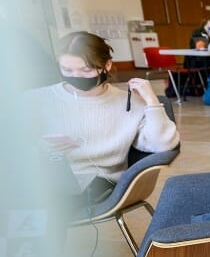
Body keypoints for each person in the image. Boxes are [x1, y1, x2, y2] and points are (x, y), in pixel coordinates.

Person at [33, 31, 180, 205]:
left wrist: (151, 101)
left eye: (86, 70)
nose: (76, 76)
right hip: (41, 178)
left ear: (107, 65)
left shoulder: (130, 102)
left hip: (100, 184)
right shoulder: (36, 99)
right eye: (67, 69)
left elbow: (163, 144)